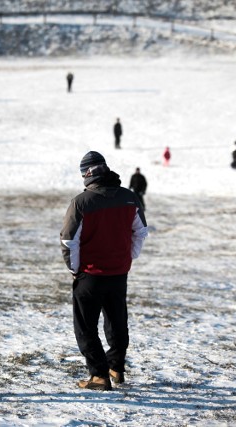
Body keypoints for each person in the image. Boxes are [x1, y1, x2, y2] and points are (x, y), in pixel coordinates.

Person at [60, 151, 148, 391]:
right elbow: (140, 232)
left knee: (86, 327)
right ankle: (116, 368)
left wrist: (75, 269)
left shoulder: (81, 202)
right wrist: (127, 257)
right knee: (117, 321)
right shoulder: (130, 198)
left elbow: (69, 241)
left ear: (87, 175)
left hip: (90, 275)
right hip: (118, 273)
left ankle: (99, 376)